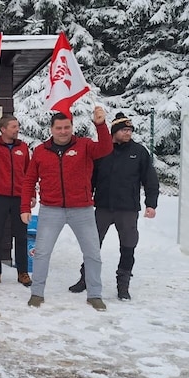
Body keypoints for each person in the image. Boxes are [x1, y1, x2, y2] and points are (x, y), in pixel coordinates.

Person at [20, 107, 113, 311]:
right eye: (59, 128)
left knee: (92, 253)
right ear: (51, 129)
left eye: (67, 127)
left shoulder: (85, 145)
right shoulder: (41, 151)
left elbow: (105, 149)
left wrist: (100, 125)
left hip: (82, 209)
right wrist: (25, 205)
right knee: (42, 253)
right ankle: (37, 293)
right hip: (51, 209)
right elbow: (29, 180)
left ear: (72, 127)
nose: (63, 131)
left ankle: (94, 294)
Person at [67, 114, 159, 300]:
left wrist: (151, 204)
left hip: (128, 209)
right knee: (92, 245)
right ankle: (85, 279)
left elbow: (150, 179)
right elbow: (90, 178)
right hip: (103, 207)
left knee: (128, 247)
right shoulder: (103, 151)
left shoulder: (139, 152)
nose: (128, 133)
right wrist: (84, 198)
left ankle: (123, 285)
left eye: (130, 130)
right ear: (114, 132)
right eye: (124, 130)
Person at [0, 108, 34, 289]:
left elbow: (29, 173)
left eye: (17, 126)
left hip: (19, 198)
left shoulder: (23, 147)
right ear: (3, 129)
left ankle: (23, 272)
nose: (17, 129)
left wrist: (32, 195)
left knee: (21, 236)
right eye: (13, 126)